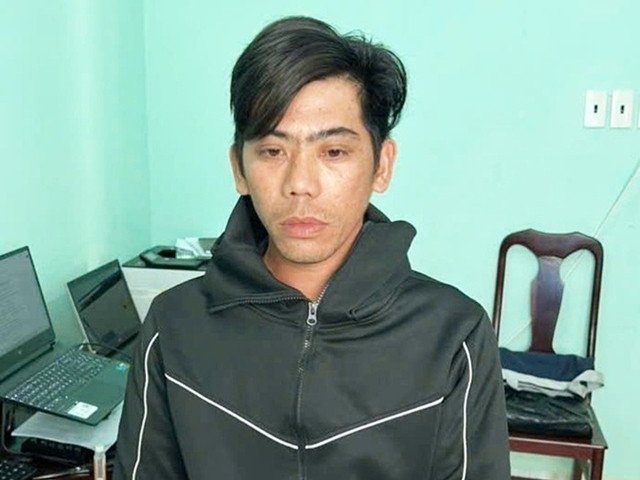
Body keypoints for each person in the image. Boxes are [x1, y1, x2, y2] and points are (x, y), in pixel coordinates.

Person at [114, 16, 510, 480]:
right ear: (239, 168)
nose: (300, 184)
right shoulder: (173, 327)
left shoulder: (453, 336)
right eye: (272, 151)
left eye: (333, 152)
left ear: (381, 165)